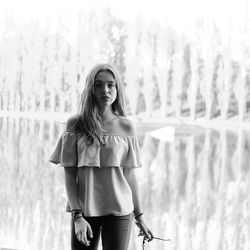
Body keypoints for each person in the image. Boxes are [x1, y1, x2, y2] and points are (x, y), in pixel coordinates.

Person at [49, 63, 153, 250]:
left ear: (117, 88)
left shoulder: (126, 127)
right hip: (85, 211)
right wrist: (77, 216)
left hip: (120, 212)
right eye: (98, 85)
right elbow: (70, 175)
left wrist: (140, 217)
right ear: (91, 89)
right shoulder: (76, 125)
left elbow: (129, 175)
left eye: (110, 85)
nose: (105, 90)